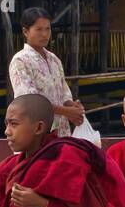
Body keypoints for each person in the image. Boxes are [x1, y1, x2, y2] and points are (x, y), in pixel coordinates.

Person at [8, 7, 85, 136]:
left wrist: (73, 106)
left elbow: (64, 93)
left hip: (61, 132)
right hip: (37, 134)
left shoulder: (54, 60)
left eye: (47, 29)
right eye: (38, 29)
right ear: (25, 31)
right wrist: (67, 112)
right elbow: (31, 103)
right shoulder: (20, 61)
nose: (44, 34)